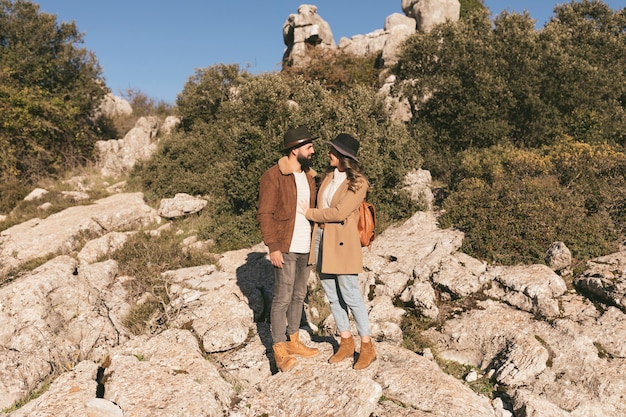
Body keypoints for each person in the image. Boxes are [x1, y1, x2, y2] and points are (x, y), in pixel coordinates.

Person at [300, 133, 376, 370]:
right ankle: (345, 342)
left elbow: (340, 212)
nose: (329, 154)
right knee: (332, 294)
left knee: (350, 294)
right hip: (322, 238)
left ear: (344, 156)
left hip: (343, 243)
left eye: (333, 150)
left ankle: (366, 345)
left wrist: (309, 214)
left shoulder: (358, 182)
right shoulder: (328, 177)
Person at [257, 126, 320, 372]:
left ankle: (294, 340)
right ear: (295, 150)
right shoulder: (273, 176)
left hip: (306, 246)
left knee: (298, 295)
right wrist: (273, 247)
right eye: (309, 147)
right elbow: (265, 213)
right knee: (282, 298)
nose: (313, 151)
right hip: (284, 246)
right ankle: (279, 349)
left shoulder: (308, 176)